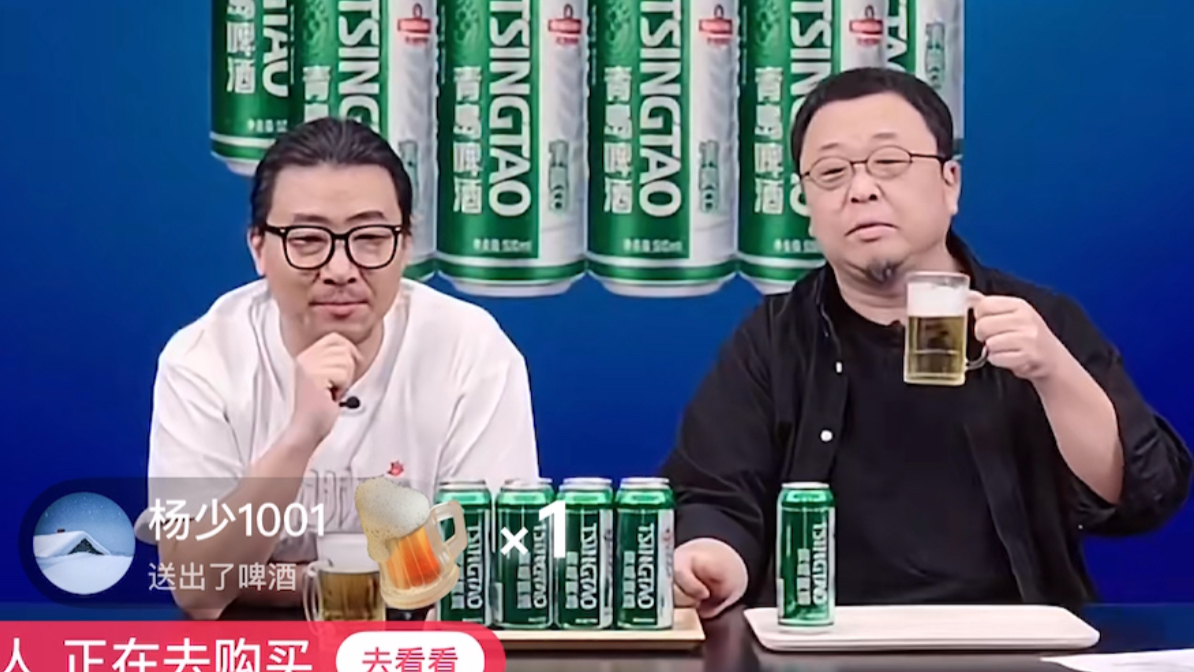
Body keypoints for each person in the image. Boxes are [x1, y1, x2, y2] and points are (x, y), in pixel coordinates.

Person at [662, 68, 1192, 618]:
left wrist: (1054, 374)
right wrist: (712, 560)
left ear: (950, 183)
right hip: (821, 643)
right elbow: (714, 493)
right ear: (807, 208)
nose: (860, 189)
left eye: (889, 162)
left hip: (1014, 640)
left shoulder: (1039, 321)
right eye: (831, 172)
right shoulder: (775, 338)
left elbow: (1145, 496)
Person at [134, 118, 540, 618]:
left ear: (406, 245)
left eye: (370, 237)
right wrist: (299, 437)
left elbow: (484, 567)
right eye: (307, 239)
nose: (341, 269)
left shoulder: (471, 350)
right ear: (259, 248)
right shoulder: (203, 359)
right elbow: (198, 587)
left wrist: (298, 578)